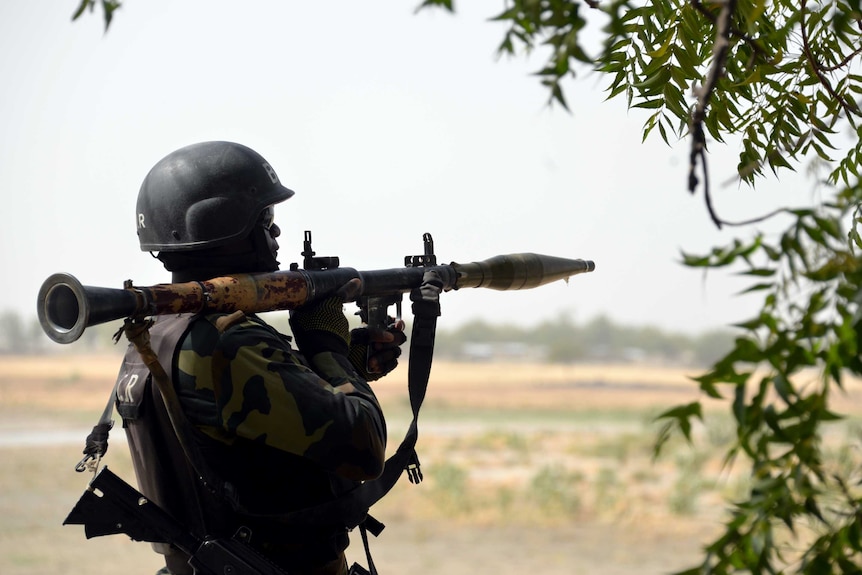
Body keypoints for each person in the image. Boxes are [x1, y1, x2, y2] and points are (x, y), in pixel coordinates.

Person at [115, 141, 406, 575]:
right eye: (266, 220)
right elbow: (363, 445)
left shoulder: (160, 330)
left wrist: (343, 361)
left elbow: (247, 420)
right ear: (227, 227)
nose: (276, 235)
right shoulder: (226, 343)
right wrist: (326, 346)